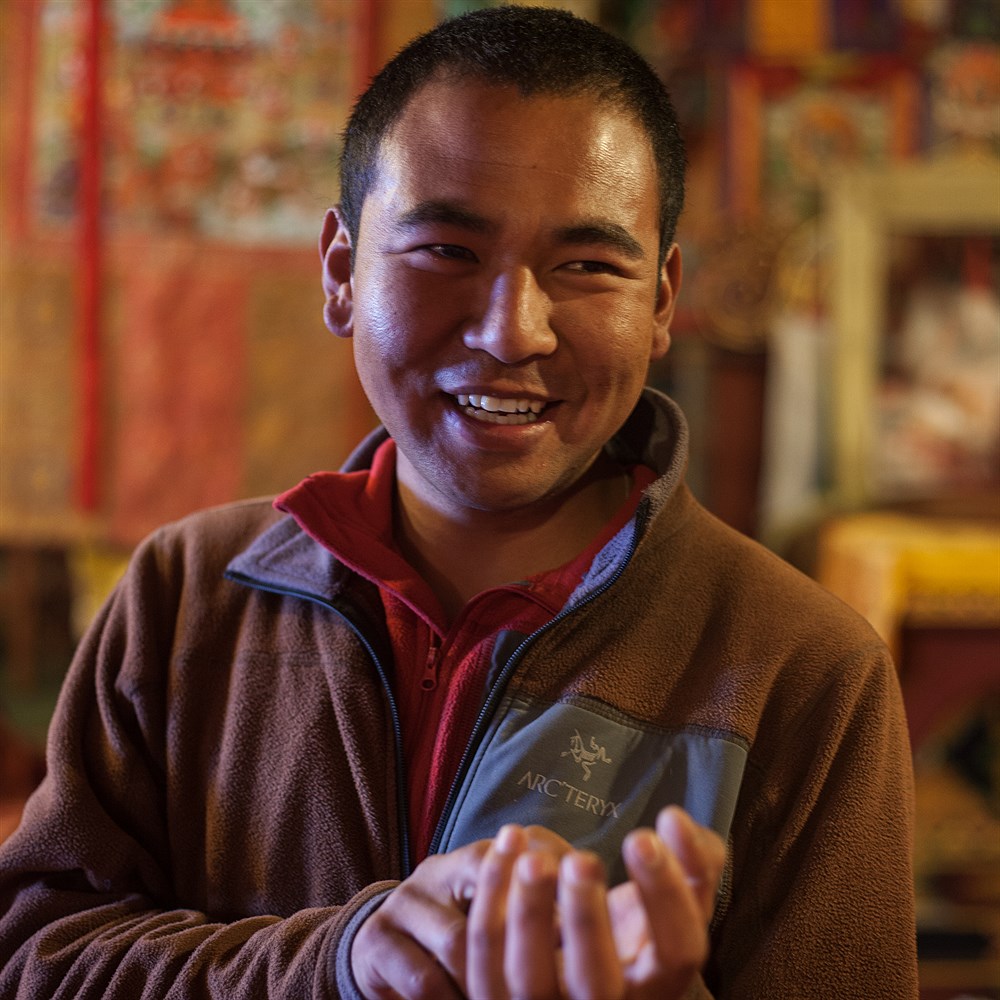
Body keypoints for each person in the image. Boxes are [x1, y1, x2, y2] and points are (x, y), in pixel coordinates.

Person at [0, 6, 917, 998]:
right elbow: (38, 955)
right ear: (342, 270)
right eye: (447, 252)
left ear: (659, 300)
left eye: (586, 265)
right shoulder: (189, 595)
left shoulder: (799, 667)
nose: (511, 331)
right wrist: (339, 961)